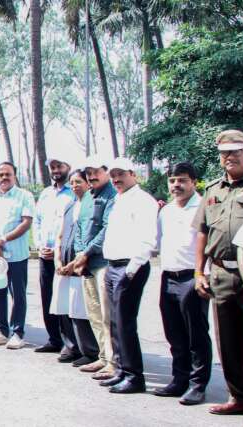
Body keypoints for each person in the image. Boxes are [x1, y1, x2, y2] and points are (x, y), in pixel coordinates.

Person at [194, 130, 243, 417]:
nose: (230, 156)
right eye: (225, 152)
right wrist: (198, 271)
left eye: (237, 151)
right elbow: (202, 234)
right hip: (221, 273)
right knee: (229, 342)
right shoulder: (213, 191)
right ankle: (240, 397)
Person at [99, 157, 158, 394]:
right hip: (113, 266)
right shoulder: (119, 200)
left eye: (121, 174)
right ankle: (122, 370)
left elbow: (147, 240)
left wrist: (131, 271)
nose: (116, 179)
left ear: (133, 174)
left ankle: (134, 376)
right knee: (115, 323)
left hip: (129, 267)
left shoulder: (144, 201)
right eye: (113, 175)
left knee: (125, 323)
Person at [154, 162, 210, 405]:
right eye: (172, 180)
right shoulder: (166, 211)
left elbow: (207, 245)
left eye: (182, 180)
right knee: (174, 332)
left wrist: (202, 275)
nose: (176, 185)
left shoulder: (203, 207)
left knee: (196, 334)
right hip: (169, 276)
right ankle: (179, 379)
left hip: (192, 277)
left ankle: (198, 385)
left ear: (194, 182)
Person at [64, 155, 118, 378]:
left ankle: (114, 361)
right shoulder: (87, 197)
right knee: (94, 314)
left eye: (96, 171)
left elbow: (107, 229)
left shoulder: (112, 196)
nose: (92, 176)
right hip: (86, 263)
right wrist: (79, 254)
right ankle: (103, 357)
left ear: (106, 171)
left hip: (102, 261)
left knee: (107, 316)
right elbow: (79, 229)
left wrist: (85, 253)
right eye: (89, 172)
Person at [0, 162, 35, 349]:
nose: (4, 177)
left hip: (16, 255)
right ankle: (2, 331)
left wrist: (2, 240)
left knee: (18, 295)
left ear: (15, 175)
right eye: (1, 174)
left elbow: (26, 223)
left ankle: (18, 333)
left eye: (8, 174)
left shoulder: (24, 196)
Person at [55, 170, 102, 371]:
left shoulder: (91, 205)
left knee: (83, 310)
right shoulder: (70, 206)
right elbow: (60, 235)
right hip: (64, 264)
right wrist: (58, 260)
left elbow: (88, 237)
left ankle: (90, 351)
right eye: (72, 182)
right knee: (66, 308)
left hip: (81, 264)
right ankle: (71, 346)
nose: (75, 186)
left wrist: (75, 263)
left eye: (79, 182)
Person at [33, 157, 77, 355]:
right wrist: (40, 245)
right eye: (52, 167)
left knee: (64, 299)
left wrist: (58, 251)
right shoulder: (45, 194)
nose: (56, 170)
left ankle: (71, 343)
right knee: (47, 297)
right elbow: (38, 221)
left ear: (68, 166)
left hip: (65, 256)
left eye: (60, 166)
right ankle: (53, 339)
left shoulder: (74, 192)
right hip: (45, 254)